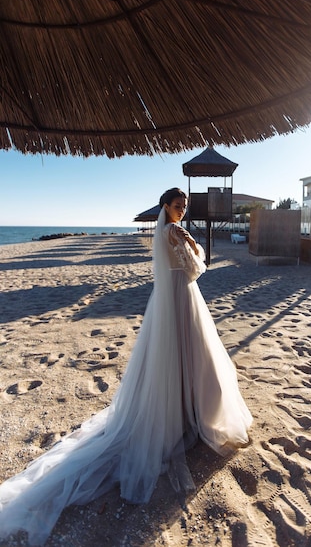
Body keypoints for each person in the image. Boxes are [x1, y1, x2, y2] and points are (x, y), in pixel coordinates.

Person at [0, 188, 252, 545]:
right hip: (182, 295)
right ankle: (192, 411)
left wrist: (189, 242)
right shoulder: (171, 231)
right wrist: (193, 243)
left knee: (180, 355)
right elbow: (196, 269)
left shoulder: (165, 231)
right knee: (191, 353)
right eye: (178, 206)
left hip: (173, 299)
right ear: (167, 207)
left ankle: (185, 409)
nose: (182, 211)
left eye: (184, 207)